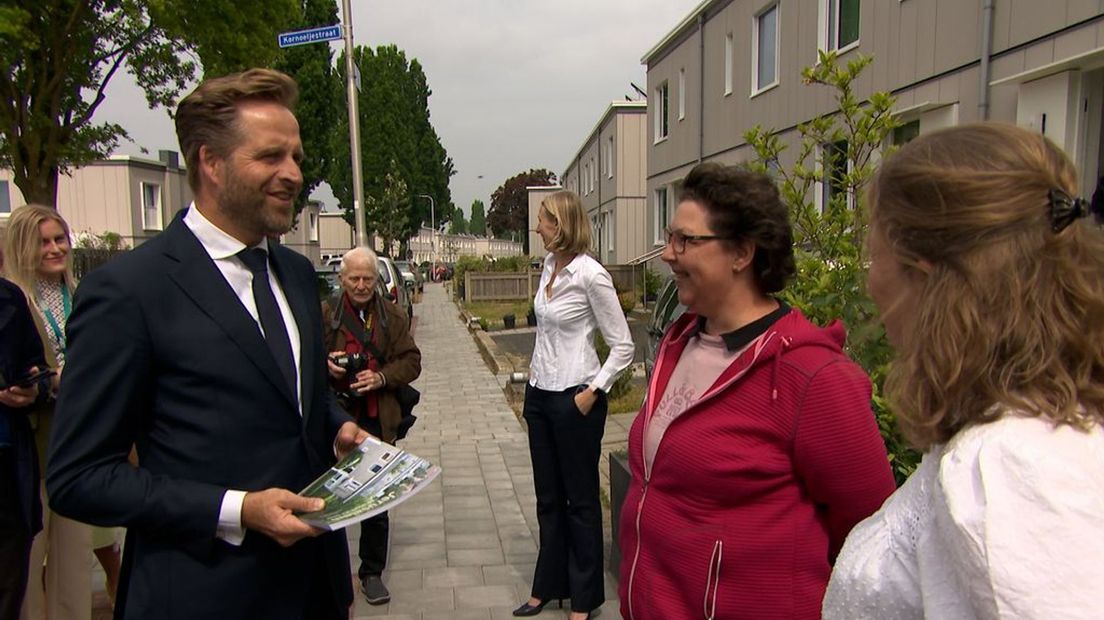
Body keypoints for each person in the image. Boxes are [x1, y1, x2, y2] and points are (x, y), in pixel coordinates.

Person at [45, 68, 365, 619]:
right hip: (201, 593)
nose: (293, 174)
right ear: (209, 163)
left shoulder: (293, 271)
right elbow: (79, 477)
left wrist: (335, 424)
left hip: (314, 589)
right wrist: (237, 510)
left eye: (297, 158)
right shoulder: (129, 292)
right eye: (271, 157)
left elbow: (289, 399)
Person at [823, 123, 1104, 618]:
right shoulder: (1025, 431)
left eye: (875, 257)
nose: (869, 284)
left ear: (925, 275)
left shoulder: (1010, 465)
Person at [617, 163, 896, 620]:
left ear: (742, 252)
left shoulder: (812, 377)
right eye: (669, 238)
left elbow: (873, 537)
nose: (668, 253)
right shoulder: (678, 344)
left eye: (685, 240)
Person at [514, 190, 634, 620]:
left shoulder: (591, 275)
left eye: (543, 220)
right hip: (539, 394)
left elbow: (623, 346)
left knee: (581, 501)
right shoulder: (548, 267)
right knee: (548, 498)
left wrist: (593, 391)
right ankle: (547, 586)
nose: (538, 227)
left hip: (575, 397)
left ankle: (585, 598)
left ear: (562, 223)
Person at [3, 204, 122, 619]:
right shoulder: (12, 300)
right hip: (30, 446)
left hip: (78, 442)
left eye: (60, 239)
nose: (56, 249)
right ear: (21, 247)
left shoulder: (81, 293)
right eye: (44, 241)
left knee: (73, 559)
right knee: (31, 557)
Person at [322, 246, 421, 605]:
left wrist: (380, 378)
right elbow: (301, 358)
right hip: (334, 415)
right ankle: (328, 568)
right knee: (327, 495)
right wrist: (326, 365)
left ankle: (371, 572)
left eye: (368, 279)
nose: (362, 285)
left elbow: (412, 361)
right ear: (341, 279)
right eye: (354, 279)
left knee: (376, 496)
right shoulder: (325, 315)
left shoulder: (391, 315)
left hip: (377, 415)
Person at [0, 276, 48, 618]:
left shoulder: (9, 298)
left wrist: (32, 389)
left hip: (8, 467)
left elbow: (37, 367)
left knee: (9, 585)